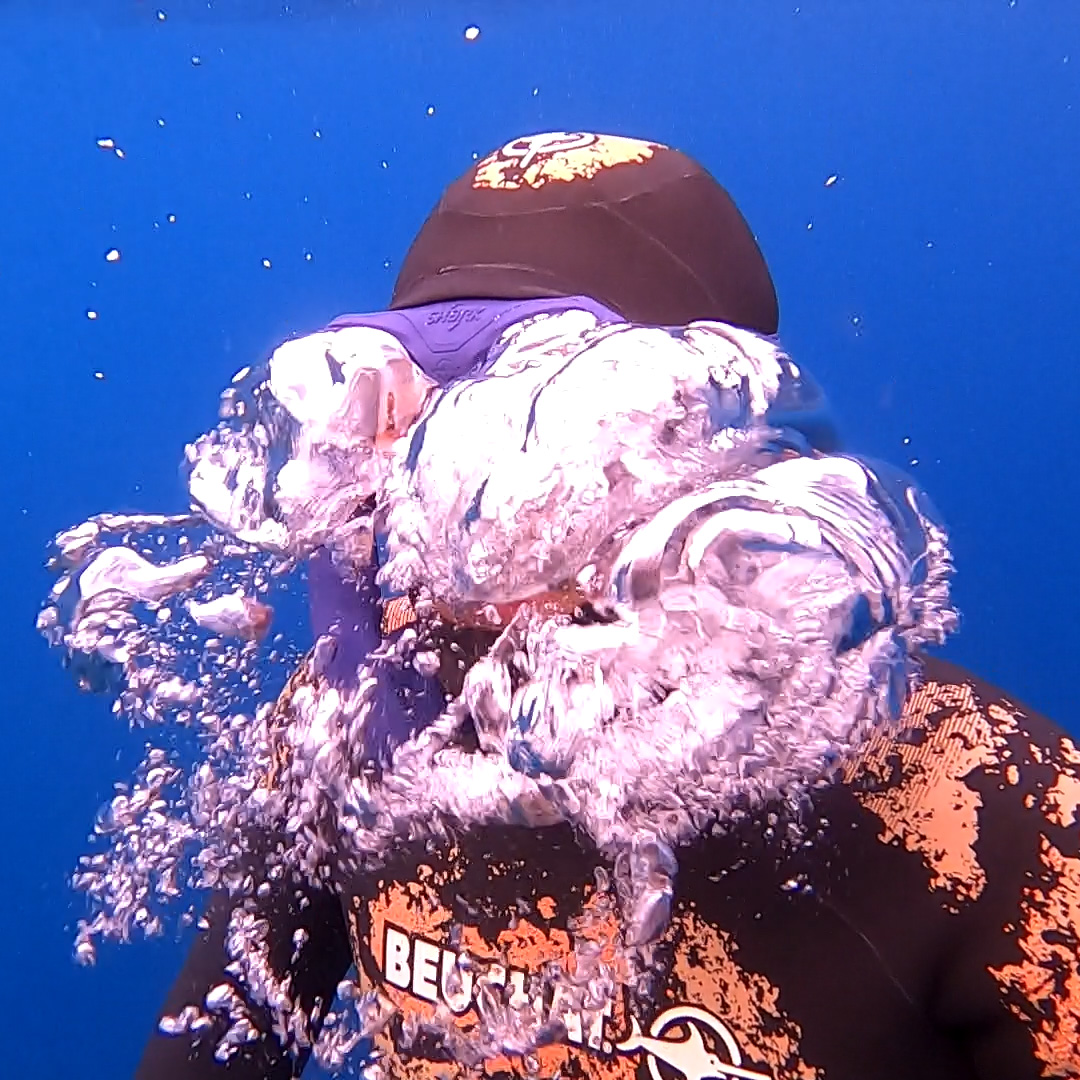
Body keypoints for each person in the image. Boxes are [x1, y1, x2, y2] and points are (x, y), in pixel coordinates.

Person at [136, 133, 1080, 1080]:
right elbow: (216, 1047)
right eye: (425, 413)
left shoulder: (986, 806)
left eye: (550, 428)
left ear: (712, 447)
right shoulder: (339, 734)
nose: (477, 504)